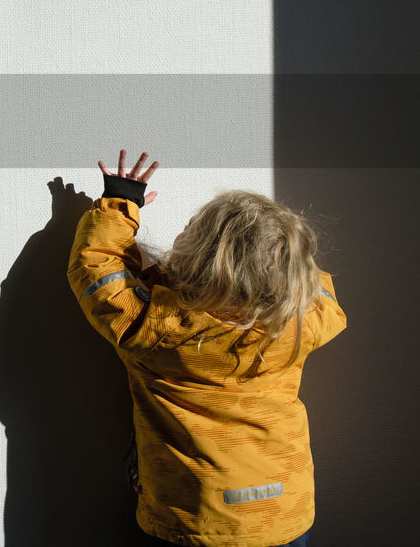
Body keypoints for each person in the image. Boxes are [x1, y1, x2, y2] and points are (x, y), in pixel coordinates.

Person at [68, 150, 347, 547]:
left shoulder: (151, 325)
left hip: (191, 521)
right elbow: (313, 284)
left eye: (192, 228)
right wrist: (279, 251)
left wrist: (121, 204)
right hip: (283, 515)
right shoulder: (302, 324)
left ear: (199, 258)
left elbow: (95, 266)